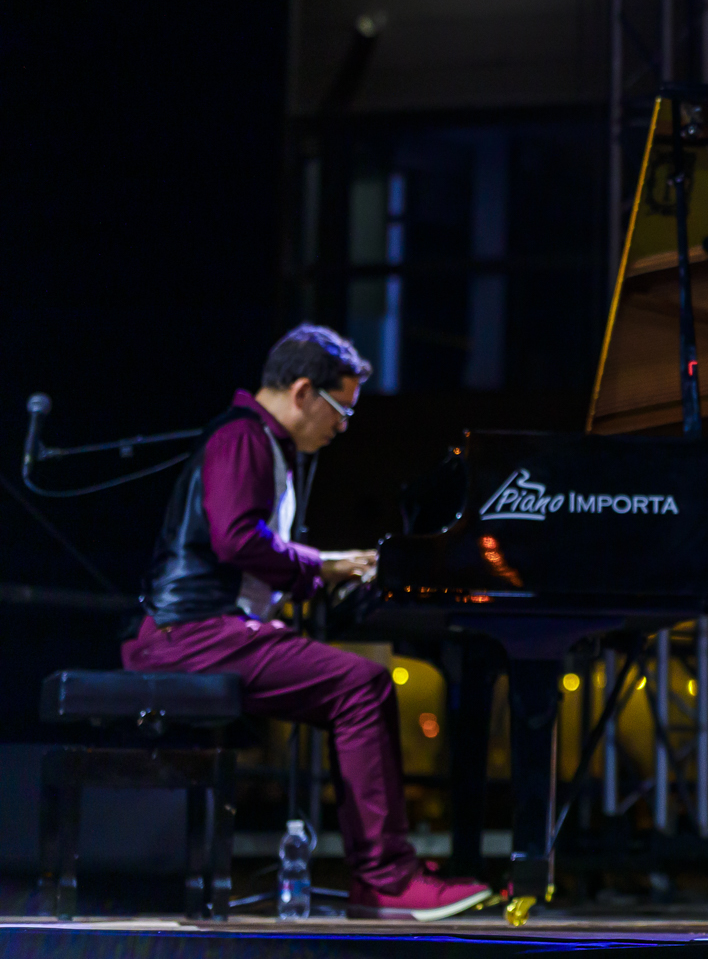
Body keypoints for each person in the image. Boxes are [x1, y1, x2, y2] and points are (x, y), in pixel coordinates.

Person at [122, 325, 494, 922]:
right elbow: (237, 539)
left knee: (358, 684)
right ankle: (385, 879)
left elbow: (252, 546)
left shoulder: (264, 444)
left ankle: (381, 876)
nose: (343, 427)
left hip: (205, 632)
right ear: (301, 392)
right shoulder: (242, 437)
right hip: (189, 635)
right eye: (341, 410)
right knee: (362, 685)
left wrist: (329, 567)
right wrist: (325, 566)